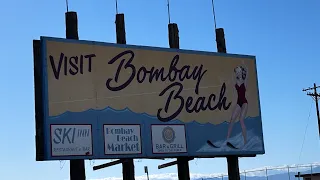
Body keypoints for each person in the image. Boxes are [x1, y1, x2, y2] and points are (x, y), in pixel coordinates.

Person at [226, 65, 248, 146]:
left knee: (241, 120)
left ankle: (246, 141)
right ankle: (227, 139)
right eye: (237, 72)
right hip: (238, 102)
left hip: (244, 102)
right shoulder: (235, 81)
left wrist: (245, 69)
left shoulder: (244, 81)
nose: (238, 73)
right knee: (232, 119)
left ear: (241, 72)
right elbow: (231, 79)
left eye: (239, 72)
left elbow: (247, 72)